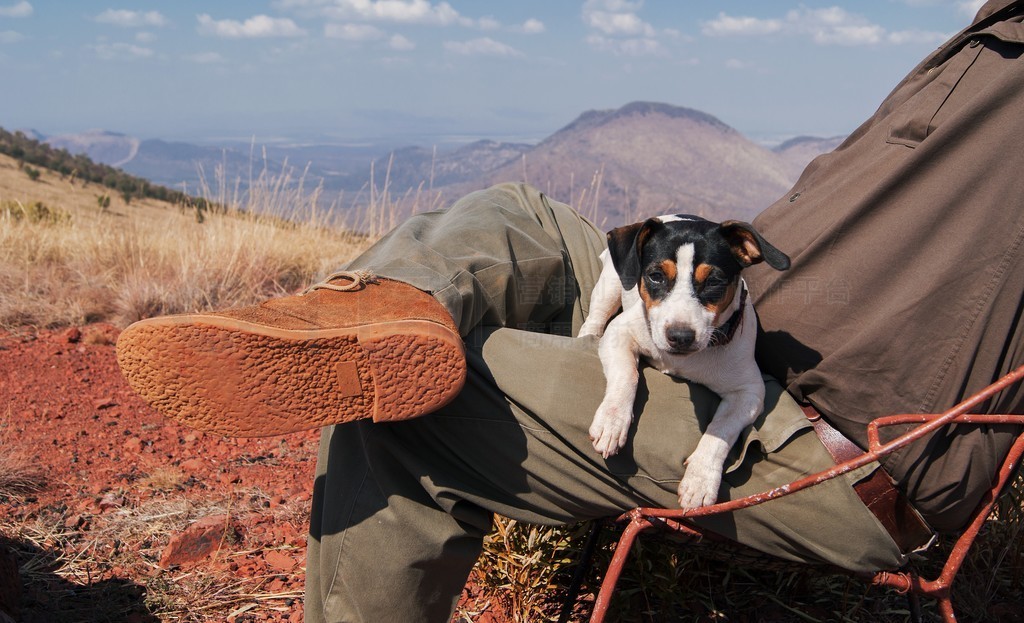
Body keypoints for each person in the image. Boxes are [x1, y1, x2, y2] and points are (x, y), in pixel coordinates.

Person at [115, 2, 1024, 621]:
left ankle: (380, 356)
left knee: (405, 413)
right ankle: (364, 309)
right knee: (519, 214)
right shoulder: (995, 35)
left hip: (823, 433)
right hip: (707, 307)